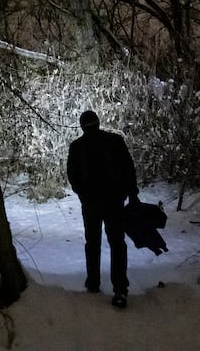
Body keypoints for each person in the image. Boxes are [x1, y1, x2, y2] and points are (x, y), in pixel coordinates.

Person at [67, 110, 139, 308]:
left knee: (94, 242)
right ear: (98, 123)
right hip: (112, 201)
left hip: (93, 203)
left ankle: (94, 283)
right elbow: (128, 169)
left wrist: (83, 194)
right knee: (116, 243)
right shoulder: (114, 141)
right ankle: (119, 289)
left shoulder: (77, 146)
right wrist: (131, 193)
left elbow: (72, 176)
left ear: (82, 126)